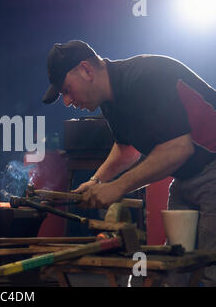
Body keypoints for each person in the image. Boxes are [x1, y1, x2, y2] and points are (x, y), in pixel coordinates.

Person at [42, 40, 216, 286]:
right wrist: (97, 180)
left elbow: (179, 148)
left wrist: (118, 187)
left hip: (212, 168)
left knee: (211, 271)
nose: (68, 101)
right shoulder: (111, 101)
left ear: (86, 70)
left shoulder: (146, 78)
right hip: (187, 176)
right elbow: (126, 147)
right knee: (176, 268)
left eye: (66, 90)